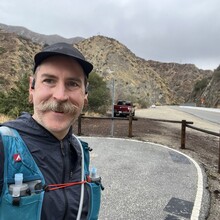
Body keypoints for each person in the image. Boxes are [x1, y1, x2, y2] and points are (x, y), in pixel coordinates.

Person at [0, 42, 102, 220]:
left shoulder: (79, 149)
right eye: (49, 80)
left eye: (72, 83)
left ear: (85, 95)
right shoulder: (3, 147)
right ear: (31, 88)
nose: (60, 95)